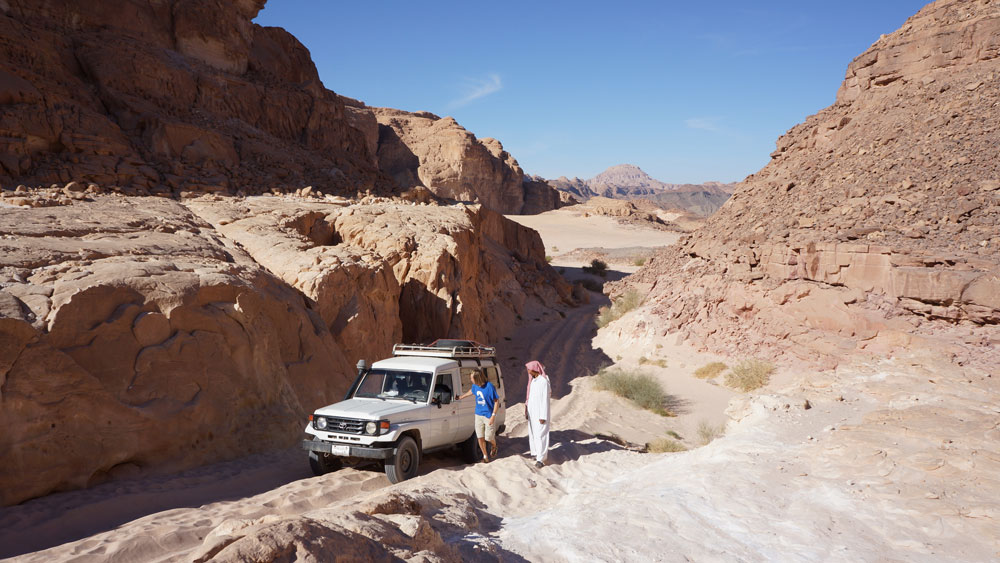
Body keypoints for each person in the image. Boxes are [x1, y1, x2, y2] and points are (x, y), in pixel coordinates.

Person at [456, 370, 500, 462]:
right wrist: (461, 397)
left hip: (488, 415)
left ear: (477, 378)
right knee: (479, 436)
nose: (471, 380)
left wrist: (493, 416)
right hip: (478, 414)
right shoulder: (475, 386)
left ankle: (494, 446)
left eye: (472, 378)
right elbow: (471, 391)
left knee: (489, 437)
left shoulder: (489, 386)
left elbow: (496, 401)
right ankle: (485, 456)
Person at [524, 360, 550, 468]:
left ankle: (541, 459)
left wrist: (543, 416)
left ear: (534, 369)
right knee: (534, 434)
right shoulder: (533, 381)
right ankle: (535, 453)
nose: (528, 371)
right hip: (532, 413)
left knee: (541, 435)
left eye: (529, 369)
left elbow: (545, 400)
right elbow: (529, 398)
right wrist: (526, 410)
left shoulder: (543, 381)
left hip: (540, 414)